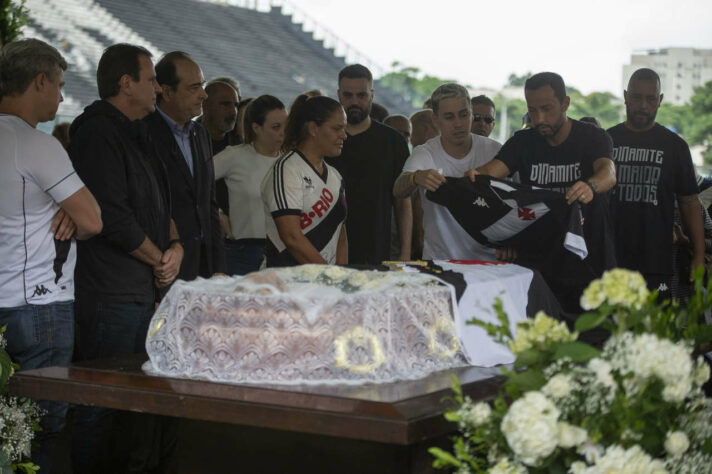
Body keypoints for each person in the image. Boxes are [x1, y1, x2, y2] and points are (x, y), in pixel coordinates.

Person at [68, 43, 181, 474]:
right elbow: (112, 216)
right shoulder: (97, 131)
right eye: (151, 79)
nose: (158, 87)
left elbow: (159, 205)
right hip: (109, 291)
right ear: (125, 82)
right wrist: (159, 259)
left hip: (138, 289)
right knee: (102, 402)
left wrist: (176, 248)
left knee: (132, 401)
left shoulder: (140, 130)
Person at [0, 38, 102, 473]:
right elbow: (93, 220)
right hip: (38, 305)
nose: (62, 96)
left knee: (9, 429)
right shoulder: (35, 143)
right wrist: (65, 205)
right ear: (39, 81)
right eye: (59, 85)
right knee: (38, 427)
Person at [469, 72, 617, 315]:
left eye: (547, 109)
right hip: (541, 263)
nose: (539, 118)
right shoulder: (523, 142)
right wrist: (473, 177)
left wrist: (590, 186)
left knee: (592, 344)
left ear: (565, 104)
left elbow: (608, 172)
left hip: (590, 262)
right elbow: (490, 173)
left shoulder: (592, 137)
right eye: (533, 110)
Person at [607, 68, 703, 298]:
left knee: (652, 333)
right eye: (636, 97)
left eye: (650, 98)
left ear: (659, 100)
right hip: (609, 259)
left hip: (655, 261)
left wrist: (699, 256)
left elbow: (689, 203)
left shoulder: (675, 146)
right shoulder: (605, 141)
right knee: (609, 331)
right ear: (625, 96)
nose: (643, 105)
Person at [393, 83, 502, 261]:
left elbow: (515, 203)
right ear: (436, 120)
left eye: (464, 115)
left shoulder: (494, 151)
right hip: (441, 263)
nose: (458, 123)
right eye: (449, 117)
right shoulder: (425, 152)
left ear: (471, 113)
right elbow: (398, 189)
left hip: (489, 262)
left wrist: (511, 243)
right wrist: (415, 177)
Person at [146, 51, 225, 282]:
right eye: (194, 87)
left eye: (203, 86)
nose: (203, 95)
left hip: (204, 266)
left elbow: (209, 203)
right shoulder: (144, 133)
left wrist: (218, 266)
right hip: (164, 266)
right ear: (167, 91)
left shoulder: (200, 134)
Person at [327, 64, 411, 264]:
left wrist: (405, 252)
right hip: (328, 251)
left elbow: (403, 201)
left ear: (372, 95)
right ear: (338, 95)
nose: (354, 101)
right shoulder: (325, 139)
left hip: (377, 250)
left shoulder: (393, 141)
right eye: (348, 95)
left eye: (361, 95)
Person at [261, 95, 347, 266]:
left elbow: (341, 232)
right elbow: (291, 237)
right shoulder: (287, 170)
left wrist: (342, 274)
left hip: (327, 283)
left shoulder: (335, 175)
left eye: (344, 128)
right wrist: (328, 275)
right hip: (288, 280)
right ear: (313, 129)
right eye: (336, 129)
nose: (344, 135)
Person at [214, 95, 287, 274]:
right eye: (276, 127)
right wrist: (217, 214)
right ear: (256, 128)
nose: (283, 132)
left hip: (283, 253)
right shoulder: (234, 156)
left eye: (286, 125)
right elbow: (191, 182)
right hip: (243, 253)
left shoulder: (290, 161)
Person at [200, 77, 241, 249]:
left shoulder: (241, 143)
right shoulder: (188, 140)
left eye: (236, 105)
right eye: (225, 104)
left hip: (238, 239)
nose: (233, 112)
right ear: (205, 106)